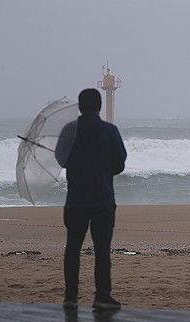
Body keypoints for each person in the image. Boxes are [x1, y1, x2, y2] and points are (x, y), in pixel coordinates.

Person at [55, 88, 127, 310]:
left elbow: (61, 159)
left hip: (76, 200)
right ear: (99, 106)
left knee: (73, 248)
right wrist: (104, 170)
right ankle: (102, 296)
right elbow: (120, 162)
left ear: (79, 106)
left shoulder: (69, 130)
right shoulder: (109, 130)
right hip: (103, 199)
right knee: (102, 250)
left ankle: (70, 297)